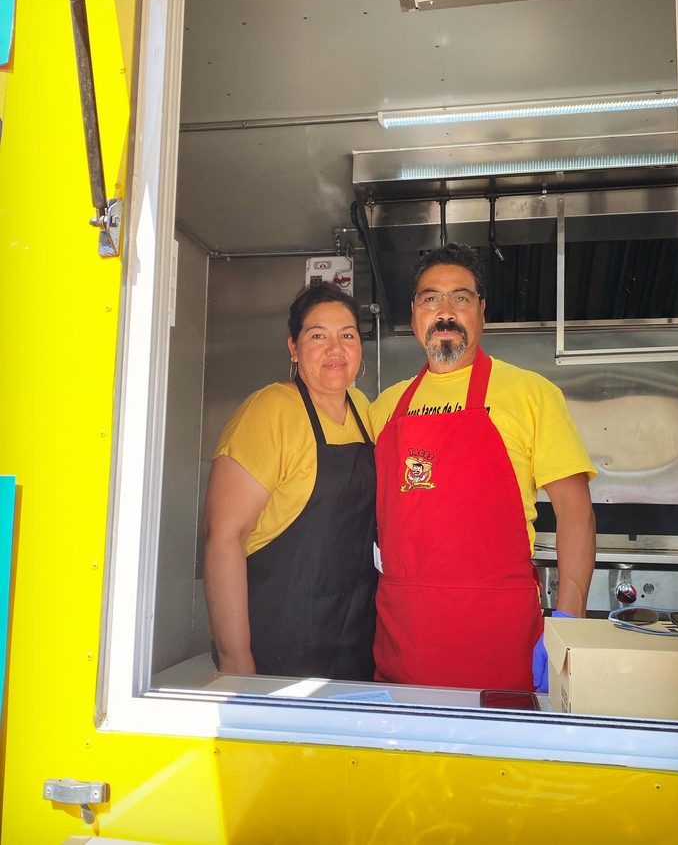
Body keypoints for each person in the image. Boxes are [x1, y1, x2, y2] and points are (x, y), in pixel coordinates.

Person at [369, 244, 596, 693]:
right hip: (403, 639)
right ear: (415, 313)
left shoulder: (532, 394)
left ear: (481, 311)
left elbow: (576, 511)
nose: (446, 311)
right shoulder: (384, 407)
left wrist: (568, 623)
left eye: (462, 298)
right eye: (431, 298)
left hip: (499, 639)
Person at [203, 282, 377, 680]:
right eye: (318, 336)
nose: (336, 349)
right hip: (277, 642)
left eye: (347, 335)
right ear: (294, 349)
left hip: (352, 640)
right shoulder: (270, 411)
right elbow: (222, 536)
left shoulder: (364, 410)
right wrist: (235, 659)